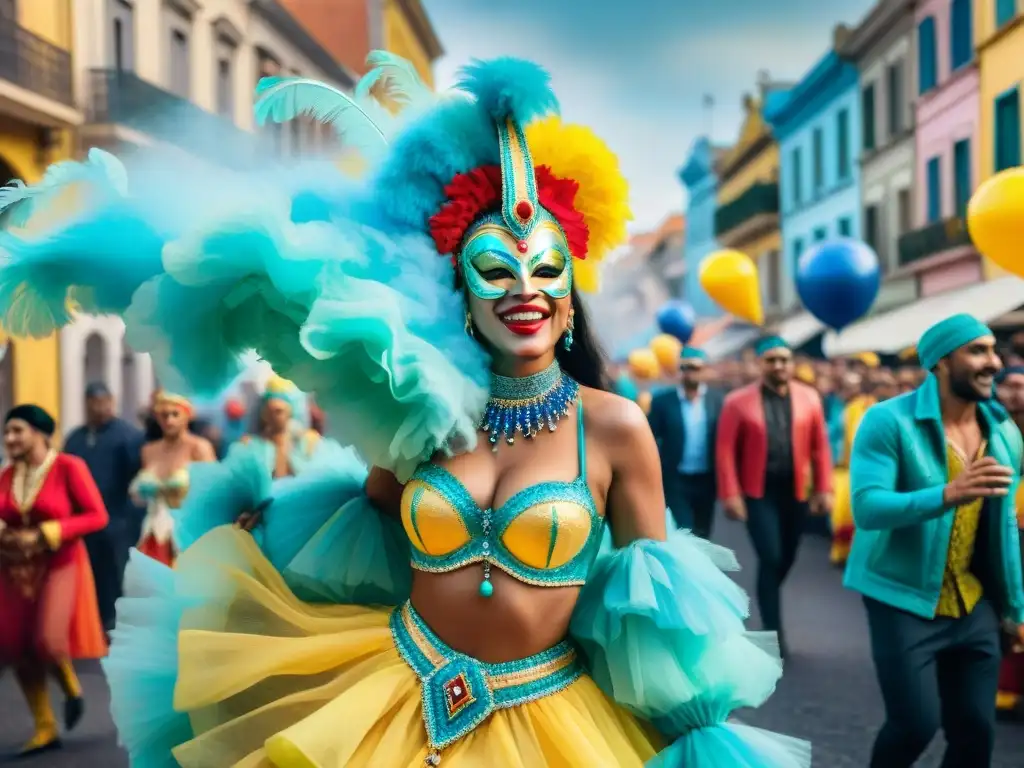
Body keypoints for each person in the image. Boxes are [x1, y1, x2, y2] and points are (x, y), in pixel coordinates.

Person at [0, 54, 808, 766]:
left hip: (553, 721)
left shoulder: (615, 428)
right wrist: (267, 529)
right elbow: (360, 530)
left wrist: (691, 730)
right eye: (495, 268)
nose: (523, 288)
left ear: (569, 300)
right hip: (393, 691)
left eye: (545, 270)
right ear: (462, 297)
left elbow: (650, 607)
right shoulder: (424, 412)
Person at [845, 314, 1024, 768]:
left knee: (976, 734)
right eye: (977, 351)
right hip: (901, 598)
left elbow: (1004, 530)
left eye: (993, 351)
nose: (993, 362)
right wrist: (948, 493)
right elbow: (867, 507)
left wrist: (1015, 610)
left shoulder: (1004, 434)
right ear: (941, 362)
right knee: (914, 726)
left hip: (973, 601)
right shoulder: (887, 421)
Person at [0, 405, 108, 755]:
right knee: (16, 644)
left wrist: (48, 532)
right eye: (6, 432)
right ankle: (44, 727)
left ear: (40, 433)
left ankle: (71, 687)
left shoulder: (69, 467)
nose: (9, 438)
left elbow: (96, 516)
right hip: (15, 569)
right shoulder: (7, 474)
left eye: (17, 430)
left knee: (47, 639)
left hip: (61, 563)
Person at [716, 336, 832, 656]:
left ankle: (768, 598)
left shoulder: (810, 398)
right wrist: (731, 494)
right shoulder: (737, 402)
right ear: (760, 364)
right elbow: (725, 451)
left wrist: (824, 488)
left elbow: (820, 447)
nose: (778, 365)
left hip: (795, 491)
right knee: (770, 556)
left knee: (786, 557)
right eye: (771, 360)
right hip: (758, 492)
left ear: (792, 363)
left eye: (784, 359)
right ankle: (773, 634)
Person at [63, 382, 144, 632]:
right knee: (88, 571)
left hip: (117, 519)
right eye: (93, 401)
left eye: (103, 400)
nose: (98, 406)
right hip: (83, 522)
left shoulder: (128, 436)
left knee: (115, 572)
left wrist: (127, 519)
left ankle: (115, 623)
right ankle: (91, 622)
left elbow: (137, 480)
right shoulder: (76, 438)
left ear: (111, 401)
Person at [129, 391, 216, 565]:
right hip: (153, 533)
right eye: (163, 415)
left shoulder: (199, 447)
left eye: (175, 414)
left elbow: (215, 493)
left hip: (189, 533)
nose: (169, 420)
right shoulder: (149, 450)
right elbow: (136, 496)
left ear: (187, 415)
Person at [647, 347, 724, 538]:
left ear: (705, 370)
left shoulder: (718, 400)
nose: (691, 373)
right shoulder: (663, 402)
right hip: (676, 479)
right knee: (684, 532)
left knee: (703, 534)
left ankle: (700, 568)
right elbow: (648, 438)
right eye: (686, 368)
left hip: (707, 478)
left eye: (696, 368)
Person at [240, 374, 341, 478]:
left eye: (278, 411)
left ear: (291, 412)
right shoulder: (250, 445)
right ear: (264, 413)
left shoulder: (310, 441)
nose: (273, 416)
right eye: (269, 411)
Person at [995, 364, 1024, 716]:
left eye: (1023, 386)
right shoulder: (992, 429)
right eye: (1011, 386)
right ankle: (1005, 691)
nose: (1017, 393)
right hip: (1003, 529)